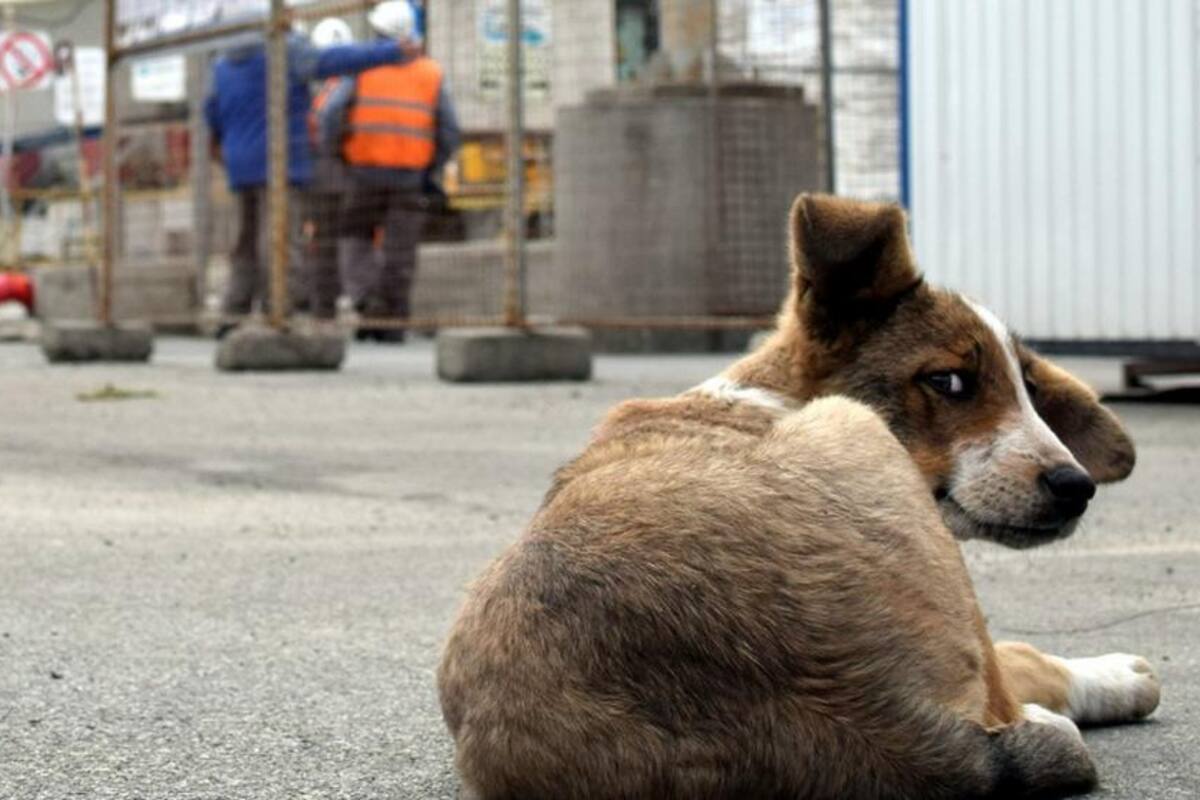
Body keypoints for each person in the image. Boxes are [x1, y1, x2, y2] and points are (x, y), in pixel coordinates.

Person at [204, 21, 415, 335]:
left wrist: (228, 146)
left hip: (239, 161)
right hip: (280, 158)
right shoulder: (284, 50)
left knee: (245, 240)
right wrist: (391, 51)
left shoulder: (223, 63)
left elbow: (211, 111)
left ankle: (233, 313)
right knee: (280, 238)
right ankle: (278, 313)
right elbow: (331, 60)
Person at [319, 0, 460, 342]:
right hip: (410, 176)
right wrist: (431, 165)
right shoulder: (431, 73)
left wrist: (337, 152)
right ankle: (393, 316)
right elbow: (449, 129)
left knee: (355, 237)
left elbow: (331, 113)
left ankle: (367, 301)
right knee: (401, 248)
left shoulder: (361, 68)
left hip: (363, 171)